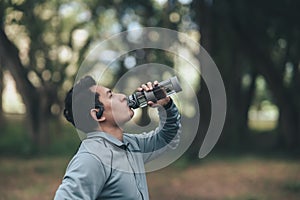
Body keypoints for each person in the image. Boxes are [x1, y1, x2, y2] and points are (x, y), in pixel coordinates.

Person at [54, 75, 181, 200]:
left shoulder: (131, 145)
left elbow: (167, 138)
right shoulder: (91, 158)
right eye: (111, 95)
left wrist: (166, 106)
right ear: (98, 114)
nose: (123, 97)